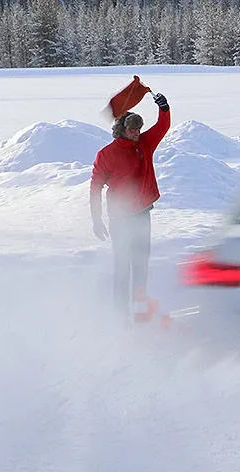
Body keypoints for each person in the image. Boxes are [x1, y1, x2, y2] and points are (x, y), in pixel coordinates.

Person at [89, 91, 170, 322]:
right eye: (133, 130)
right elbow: (95, 188)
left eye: (139, 130)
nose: (137, 134)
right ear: (121, 130)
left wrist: (164, 108)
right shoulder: (106, 155)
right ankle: (120, 316)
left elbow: (162, 127)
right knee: (123, 267)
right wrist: (96, 219)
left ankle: (140, 311)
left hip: (142, 215)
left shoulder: (144, 144)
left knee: (141, 265)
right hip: (120, 219)